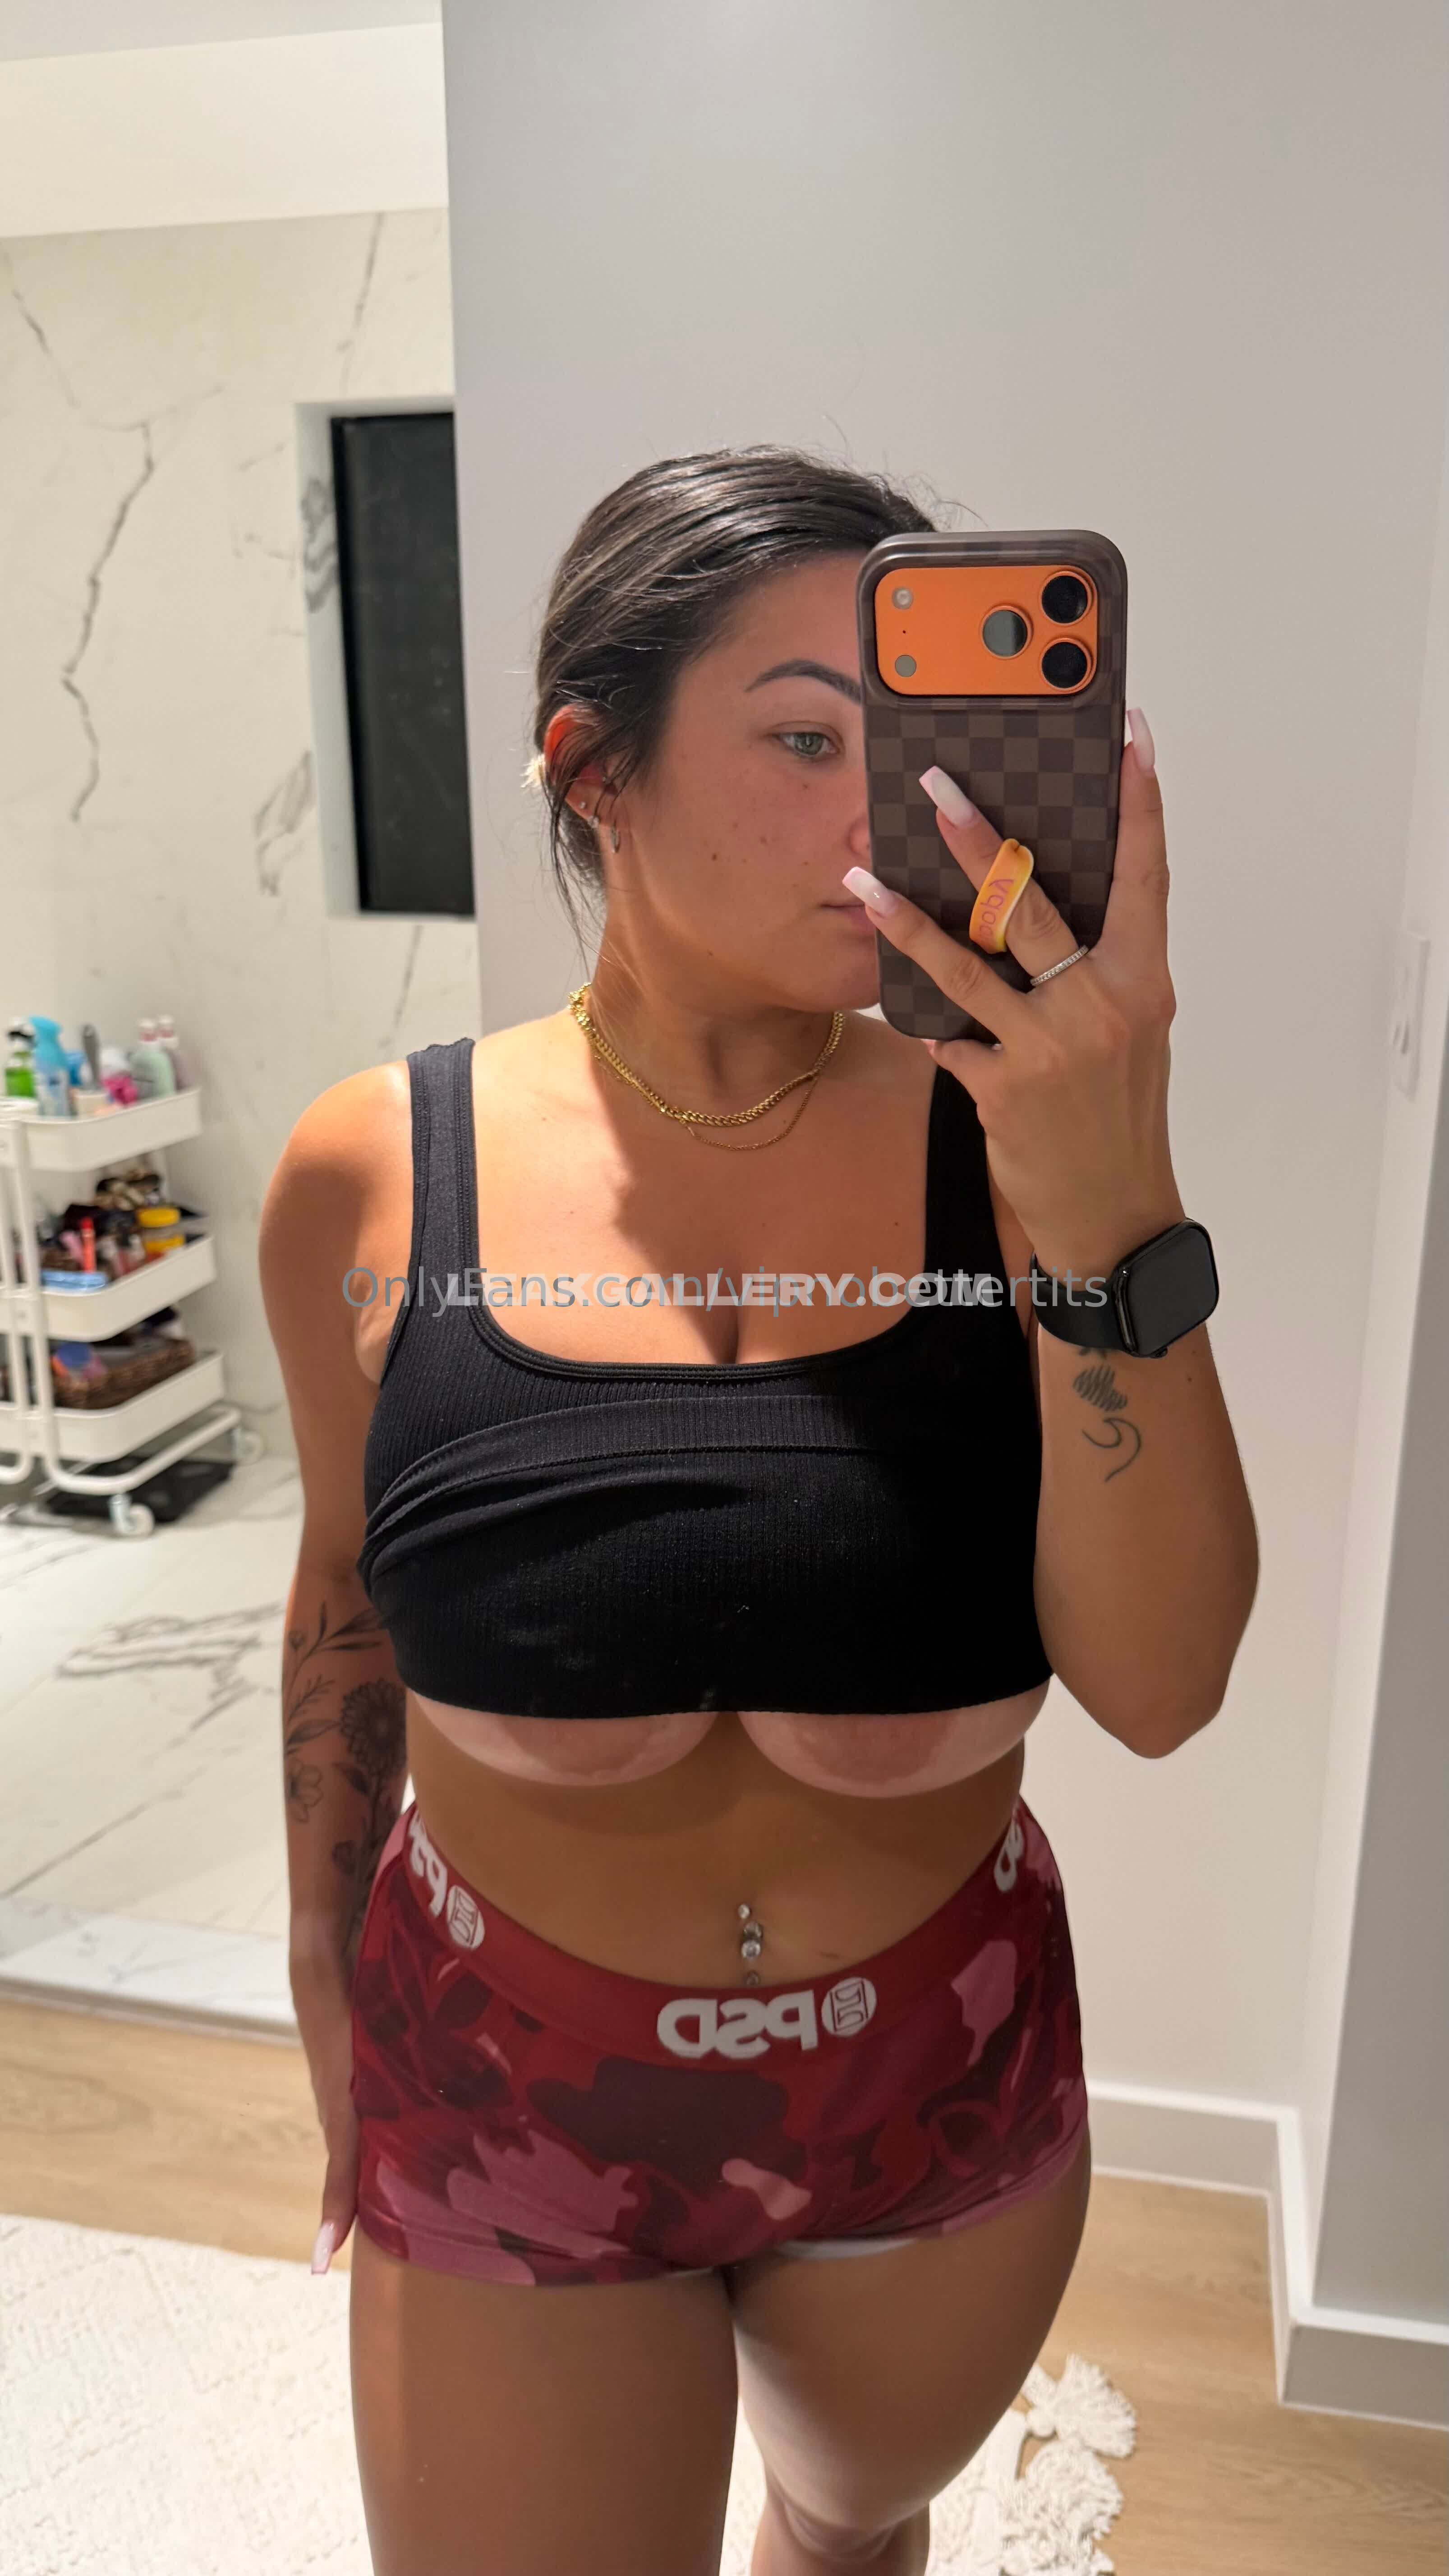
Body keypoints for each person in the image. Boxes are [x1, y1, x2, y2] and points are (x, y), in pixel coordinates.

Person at [260, 446, 1258, 2576]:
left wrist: (1110, 1193)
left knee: (848, 2537)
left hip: (934, 2097)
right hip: (506, 2090)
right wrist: (322, 1981)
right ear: (591, 768)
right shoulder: (376, 1173)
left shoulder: (1019, 1148)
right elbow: (343, 1599)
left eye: (910, 749)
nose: (886, 816)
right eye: (809, 741)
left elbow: (1168, 1686)